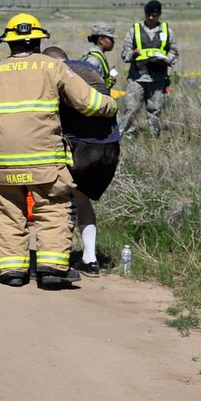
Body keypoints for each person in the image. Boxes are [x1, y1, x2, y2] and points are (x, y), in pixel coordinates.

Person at [0, 14, 115, 289]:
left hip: (3, 163)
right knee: (52, 209)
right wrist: (110, 106)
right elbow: (86, 102)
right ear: (40, 40)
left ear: (8, 43)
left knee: (8, 213)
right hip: (44, 161)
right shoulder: (51, 67)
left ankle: (11, 271)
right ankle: (52, 269)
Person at [51, 43, 121, 274]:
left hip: (81, 147)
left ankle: (56, 258)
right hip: (109, 147)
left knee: (60, 201)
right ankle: (90, 259)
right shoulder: (87, 68)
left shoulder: (57, 74)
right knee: (82, 199)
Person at [117, 1, 177, 136]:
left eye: (154, 15)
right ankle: (126, 136)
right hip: (137, 77)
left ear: (159, 14)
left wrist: (167, 60)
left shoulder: (167, 31)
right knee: (131, 109)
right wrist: (132, 54)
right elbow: (124, 53)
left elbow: (174, 51)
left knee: (155, 110)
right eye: (148, 15)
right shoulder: (134, 30)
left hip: (158, 78)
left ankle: (153, 138)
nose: (151, 18)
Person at [82, 23, 119, 87]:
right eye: (111, 39)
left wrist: (109, 82)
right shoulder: (94, 60)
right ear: (101, 40)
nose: (113, 42)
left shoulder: (99, 56)